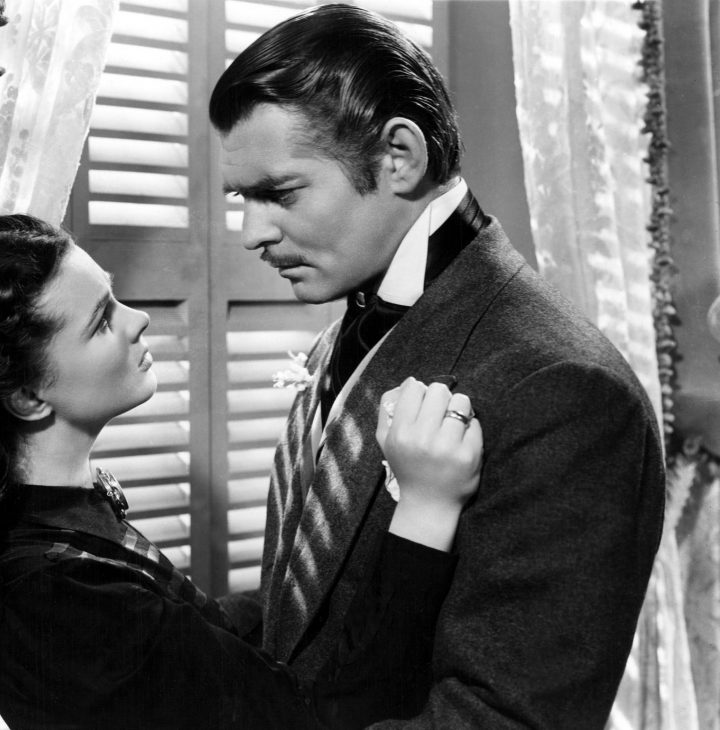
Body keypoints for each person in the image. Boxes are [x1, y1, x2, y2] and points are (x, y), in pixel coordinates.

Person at [209, 5, 665, 729]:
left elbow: (502, 718)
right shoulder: (352, 328)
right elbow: (311, 609)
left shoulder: (564, 389)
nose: (251, 232)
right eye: (243, 198)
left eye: (280, 193)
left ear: (400, 156)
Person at [0, 214, 483, 729]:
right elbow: (323, 722)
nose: (138, 320)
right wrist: (426, 508)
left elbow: (200, 638)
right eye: (101, 322)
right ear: (27, 396)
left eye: (115, 297)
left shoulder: (53, 519)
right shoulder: (55, 595)